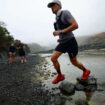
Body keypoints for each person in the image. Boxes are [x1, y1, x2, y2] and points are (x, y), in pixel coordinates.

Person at [47, 0, 91, 84]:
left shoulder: (65, 13)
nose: (51, 8)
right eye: (50, 6)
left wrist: (60, 32)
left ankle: (86, 71)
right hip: (63, 43)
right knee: (53, 58)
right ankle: (60, 76)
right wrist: (59, 36)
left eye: (53, 5)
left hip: (71, 42)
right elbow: (61, 32)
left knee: (73, 61)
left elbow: (75, 25)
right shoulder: (56, 19)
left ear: (59, 5)